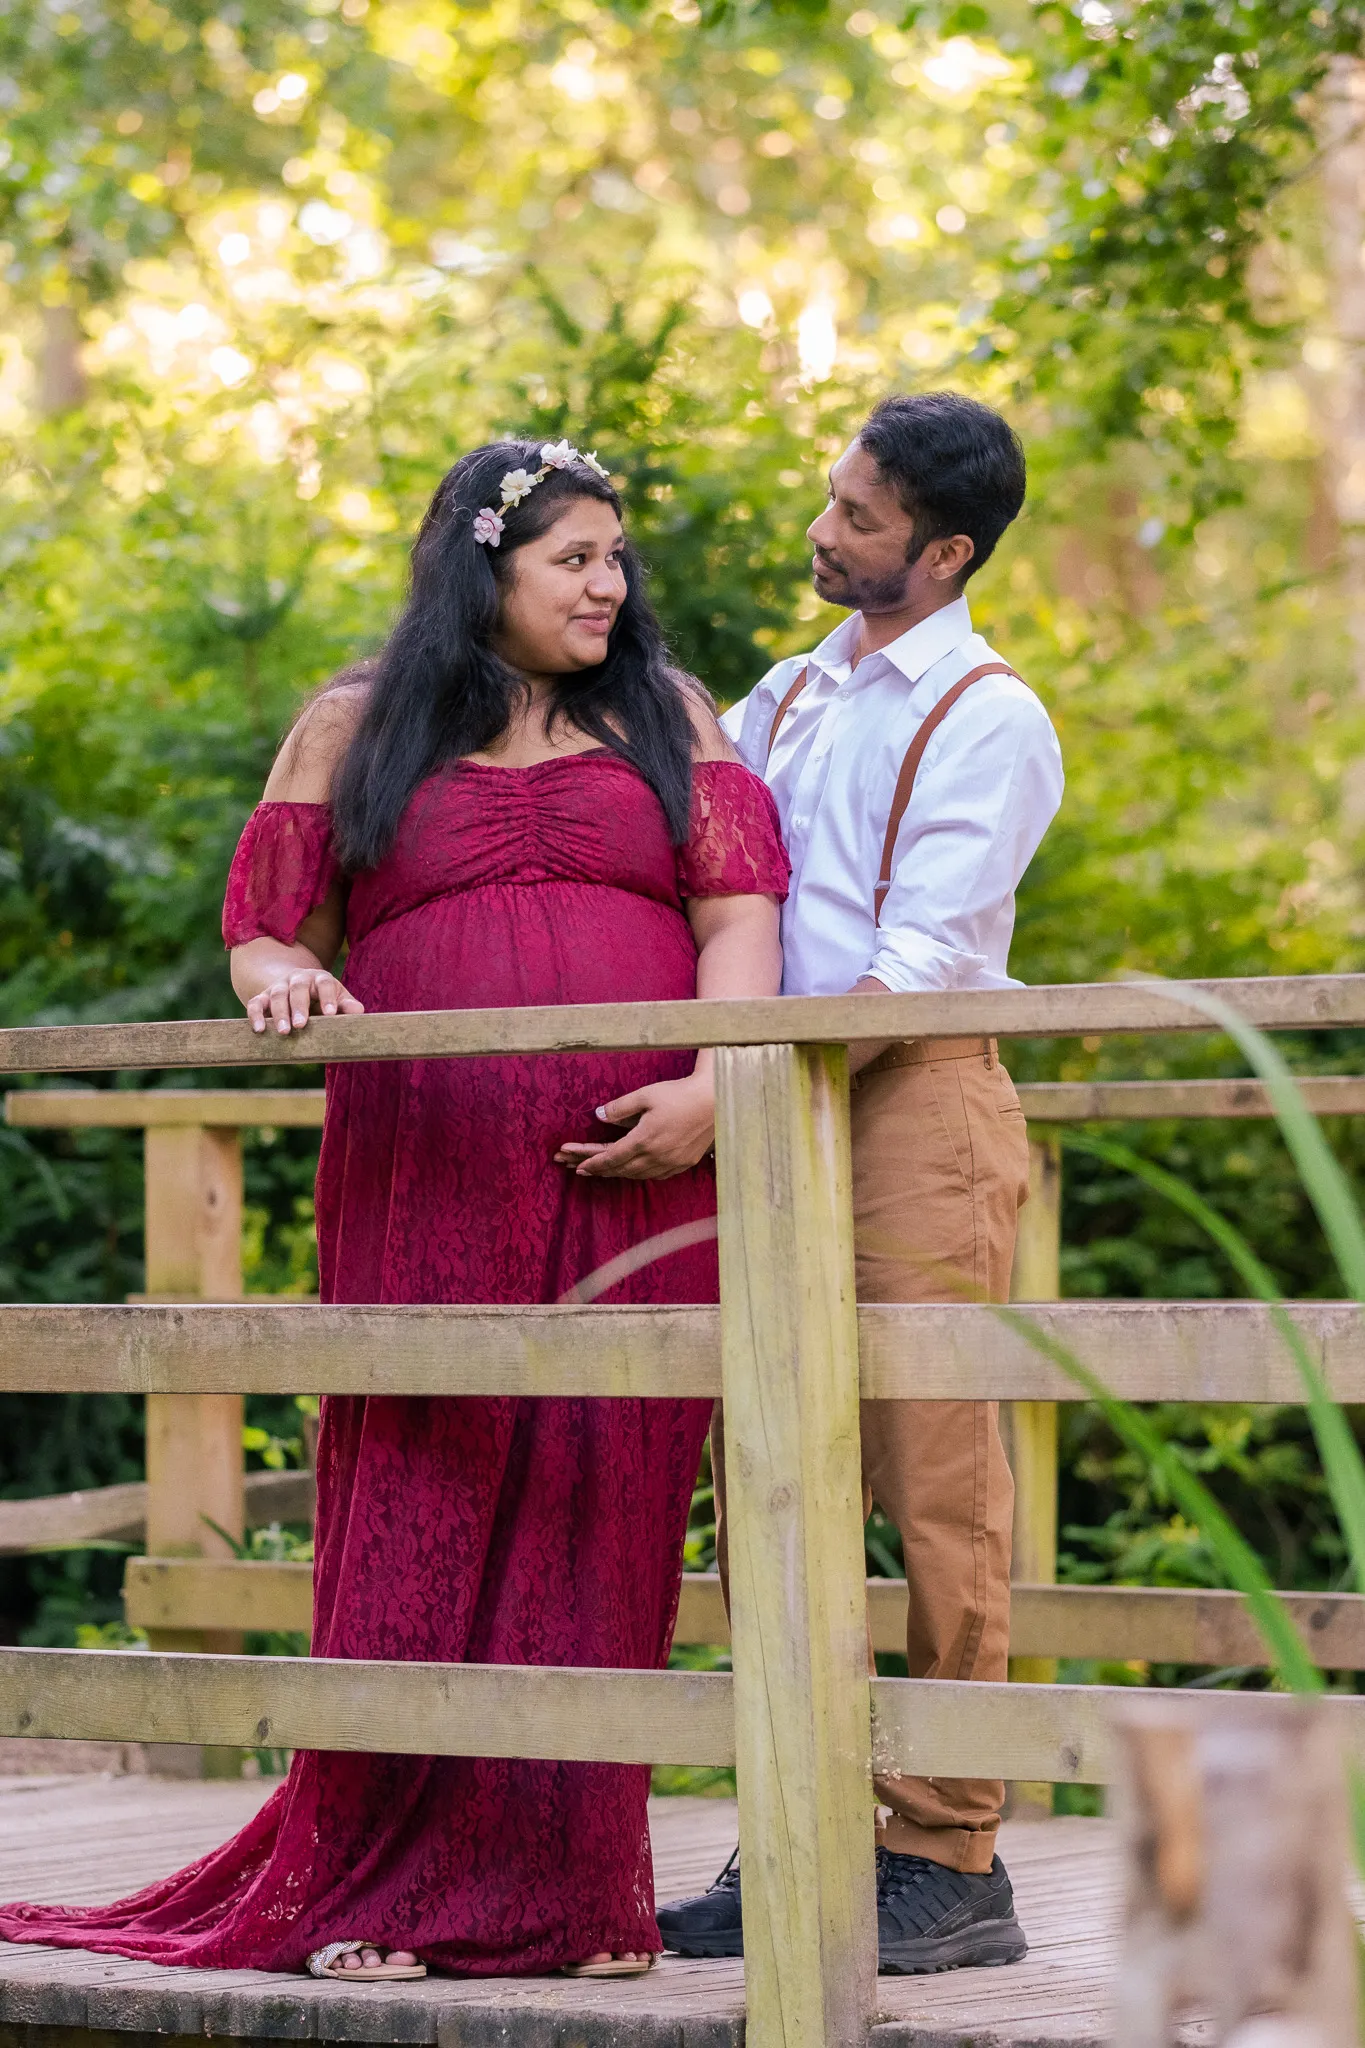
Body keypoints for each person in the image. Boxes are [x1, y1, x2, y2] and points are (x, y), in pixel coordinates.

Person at [0, 439, 789, 1981]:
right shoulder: (355, 725)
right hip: (421, 1165)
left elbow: (740, 914)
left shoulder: (668, 716)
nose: (608, 585)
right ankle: (375, 1891)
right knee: (420, 1483)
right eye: (573, 559)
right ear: (480, 567)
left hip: (639, 1169)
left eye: (617, 559)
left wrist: (718, 1083)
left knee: (596, 1492)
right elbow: (263, 929)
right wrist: (282, 972)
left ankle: (572, 1900)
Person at [656, 392, 1064, 1976]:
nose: (823, 534)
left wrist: (727, 1094)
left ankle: (949, 1852)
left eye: (861, 520)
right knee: (768, 1466)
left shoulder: (989, 715)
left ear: (946, 552)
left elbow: (908, 974)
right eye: (830, 502)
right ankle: (801, 1827)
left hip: (910, 1102)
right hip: (774, 1105)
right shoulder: (790, 690)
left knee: (934, 1483)